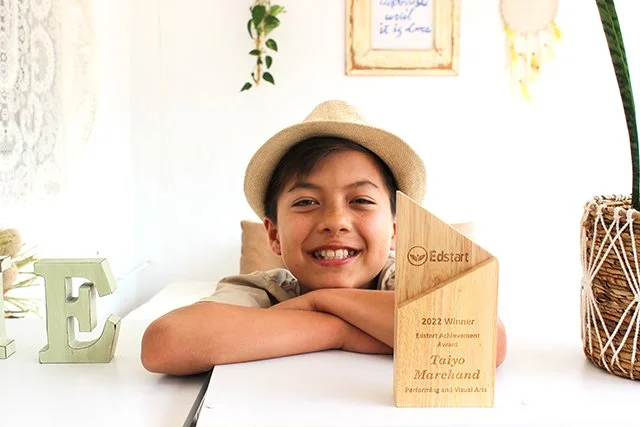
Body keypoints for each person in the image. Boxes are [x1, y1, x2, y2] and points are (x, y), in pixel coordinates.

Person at [141, 100, 507, 376]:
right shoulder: (265, 289)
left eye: (361, 200)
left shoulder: (407, 279)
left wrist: (319, 302)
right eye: (306, 202)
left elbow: (485, 340)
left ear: (395, 231)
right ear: (273, 235)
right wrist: (339, 329)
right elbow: (164, 344)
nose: (335, 221)